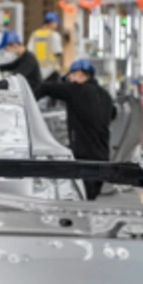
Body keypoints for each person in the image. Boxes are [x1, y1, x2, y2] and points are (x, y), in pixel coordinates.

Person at [35, 59, 114, 200]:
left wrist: (29, 106)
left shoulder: (76, 90)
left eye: (70, 76)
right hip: (103, 159)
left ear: (79, 74)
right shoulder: (105, 95)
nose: (69, 80)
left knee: (80, 199)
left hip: (83, 159)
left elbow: (45, 88)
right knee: (89, 198)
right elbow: (113, 114)